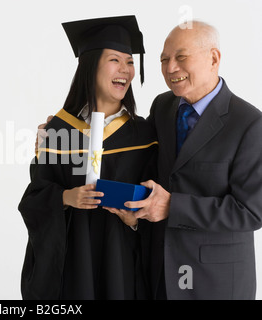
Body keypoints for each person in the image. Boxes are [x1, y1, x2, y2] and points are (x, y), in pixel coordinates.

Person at [119, 21, 262, 299]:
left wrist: (173, 206)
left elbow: (251, 211)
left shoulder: (249, 123)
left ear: (213, 58)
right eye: (164, 59)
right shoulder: (163, 106)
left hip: (215, 282)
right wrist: (69, 133)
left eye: (181, 57)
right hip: (159, 272)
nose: (170, 68)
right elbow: (133, 149)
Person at [18, 16, 158, 299]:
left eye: (130, 62)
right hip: (73, 265)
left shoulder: (145, 135)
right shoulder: (58, 131)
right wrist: (66, 198)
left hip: (121, 265)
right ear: (90, 65)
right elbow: (33, 200)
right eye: (115, 60)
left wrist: (134, 221)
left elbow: (158, 204)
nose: (126, 70)